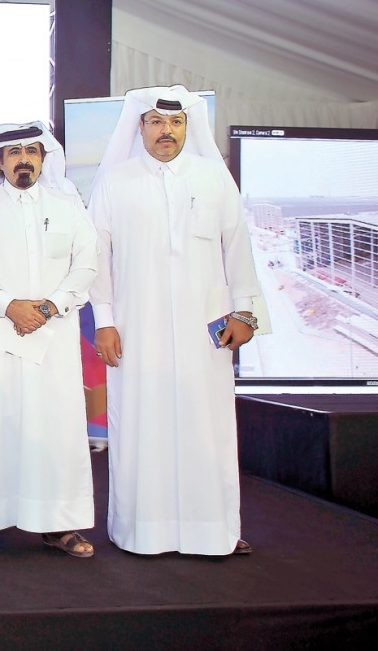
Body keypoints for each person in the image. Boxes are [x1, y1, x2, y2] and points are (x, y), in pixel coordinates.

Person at [89, 85, 263, 556]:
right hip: (134, 325)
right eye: (156, 123)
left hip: (204, 326)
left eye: (176, 123)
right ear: (140, 126)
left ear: (188, 126)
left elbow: (238, 248)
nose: (166, 132)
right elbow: (98, 258)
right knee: (141, 424)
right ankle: (141, 531)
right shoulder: (115, 181)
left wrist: (245, 312)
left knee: (207, 427)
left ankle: (214, 530)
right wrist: (103, 320)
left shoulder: (214, 177)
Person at [0, 121, 97, 558]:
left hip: (51, 335)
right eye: (14, 153)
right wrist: (9, 304)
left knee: (56, 429)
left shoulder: (68, 206)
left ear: (44, 158)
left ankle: (61, 525)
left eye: (32, 151)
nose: (24, 159)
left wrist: (49, 307)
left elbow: (87, 264)